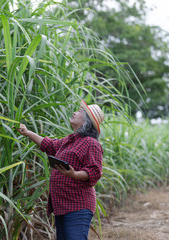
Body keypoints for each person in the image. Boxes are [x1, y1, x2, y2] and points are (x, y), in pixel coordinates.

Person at [17, 100, 104, 240]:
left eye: (80, 111)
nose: (75, 112)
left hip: (78, 205)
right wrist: (27, 132)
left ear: (86, 121)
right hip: (62, 204)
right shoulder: (69, 141)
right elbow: (48, 144)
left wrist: (74, 174)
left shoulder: (91, 143)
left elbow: (95, 171)